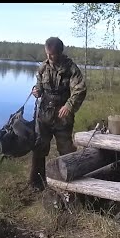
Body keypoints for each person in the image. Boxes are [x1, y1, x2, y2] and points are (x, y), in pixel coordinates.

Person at [28, 37, 87, 191]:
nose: (49, 57)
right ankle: (37, 183)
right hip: (44, 114)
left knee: (66, 150)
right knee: (39, 147)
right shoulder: (43, 67)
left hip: (62, 116)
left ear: (60, 52)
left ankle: (68, 183)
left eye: (52, 54)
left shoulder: (71, 68)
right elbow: (39, 86)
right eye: (47, 54)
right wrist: (36, 91)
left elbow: (80, 89)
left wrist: (69, 105)